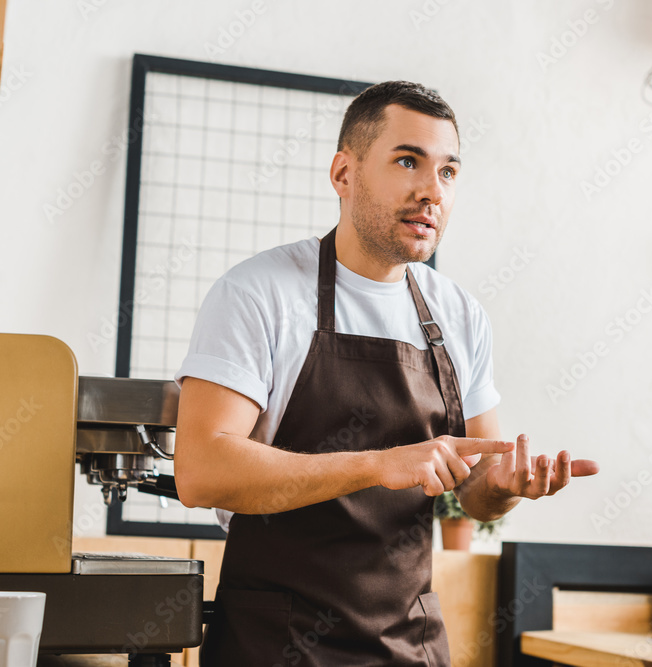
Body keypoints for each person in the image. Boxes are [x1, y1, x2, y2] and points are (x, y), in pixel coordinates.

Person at [174, 80, 599, 666]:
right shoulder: (259, 293)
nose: (432, 191)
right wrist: (379, 463)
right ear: (343, 174)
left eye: (448, 172)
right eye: (408, 161)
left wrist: (500, 490)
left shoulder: (459, 316)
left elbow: (476, 489)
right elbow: (201, 470)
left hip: (407, 646)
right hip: (277, 645)